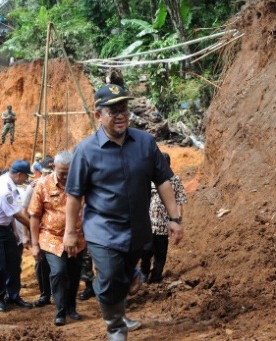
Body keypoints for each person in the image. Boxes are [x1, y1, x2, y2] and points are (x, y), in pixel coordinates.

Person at [64, 84, 184, 341]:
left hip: (138, 229)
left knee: (125, 277)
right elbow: (74, 195)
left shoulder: (145, 142)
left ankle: (125, 295)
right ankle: (115, 328)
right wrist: (70, 232)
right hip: (102, 229)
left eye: (124, 109)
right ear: (98, 115)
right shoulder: (85, 151)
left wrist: (174, 218)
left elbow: (163, 181)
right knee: (108, 280)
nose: (121, 115)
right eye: (113, 111)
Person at [29, 151, 85, 326]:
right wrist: (35, 244)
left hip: (77, 239)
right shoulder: (43, 185)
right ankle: (60, 311)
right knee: (59, 272)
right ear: (54, 167)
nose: (66, 176)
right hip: (51, 238)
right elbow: (34, 216)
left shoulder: (80, 183)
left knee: (74, 273)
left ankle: (71, 307)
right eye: (62, 172)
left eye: (69, 172)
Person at [0, 160, 34, 312]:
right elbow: (18, 215)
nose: (26, 180)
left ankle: (13, 295)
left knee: (13, 263)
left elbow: (13, 211)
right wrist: (35, 227)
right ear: (19, 174)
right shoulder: (3, 188)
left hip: (5, 228)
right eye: (25, 176)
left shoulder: (10, 184)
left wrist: (15, 232)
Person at [141, 152, 187, 284]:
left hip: (164, 224)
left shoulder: (175, 181)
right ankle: (143, 273)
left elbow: (179, 202)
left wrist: (177, 221)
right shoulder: (149, 178)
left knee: (160, 253)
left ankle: (155, 278)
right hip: (149, 223)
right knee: (146, 250)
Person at [22, 156, 53, 308]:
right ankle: (45, 294)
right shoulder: (34, 187)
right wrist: (26, 235)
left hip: (56, 232)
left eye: (51, 172)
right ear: (41, 172)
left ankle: (57, 293)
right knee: (42, 263)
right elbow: (25, 212)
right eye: (45, 172)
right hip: (39, 231)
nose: (48, 175)